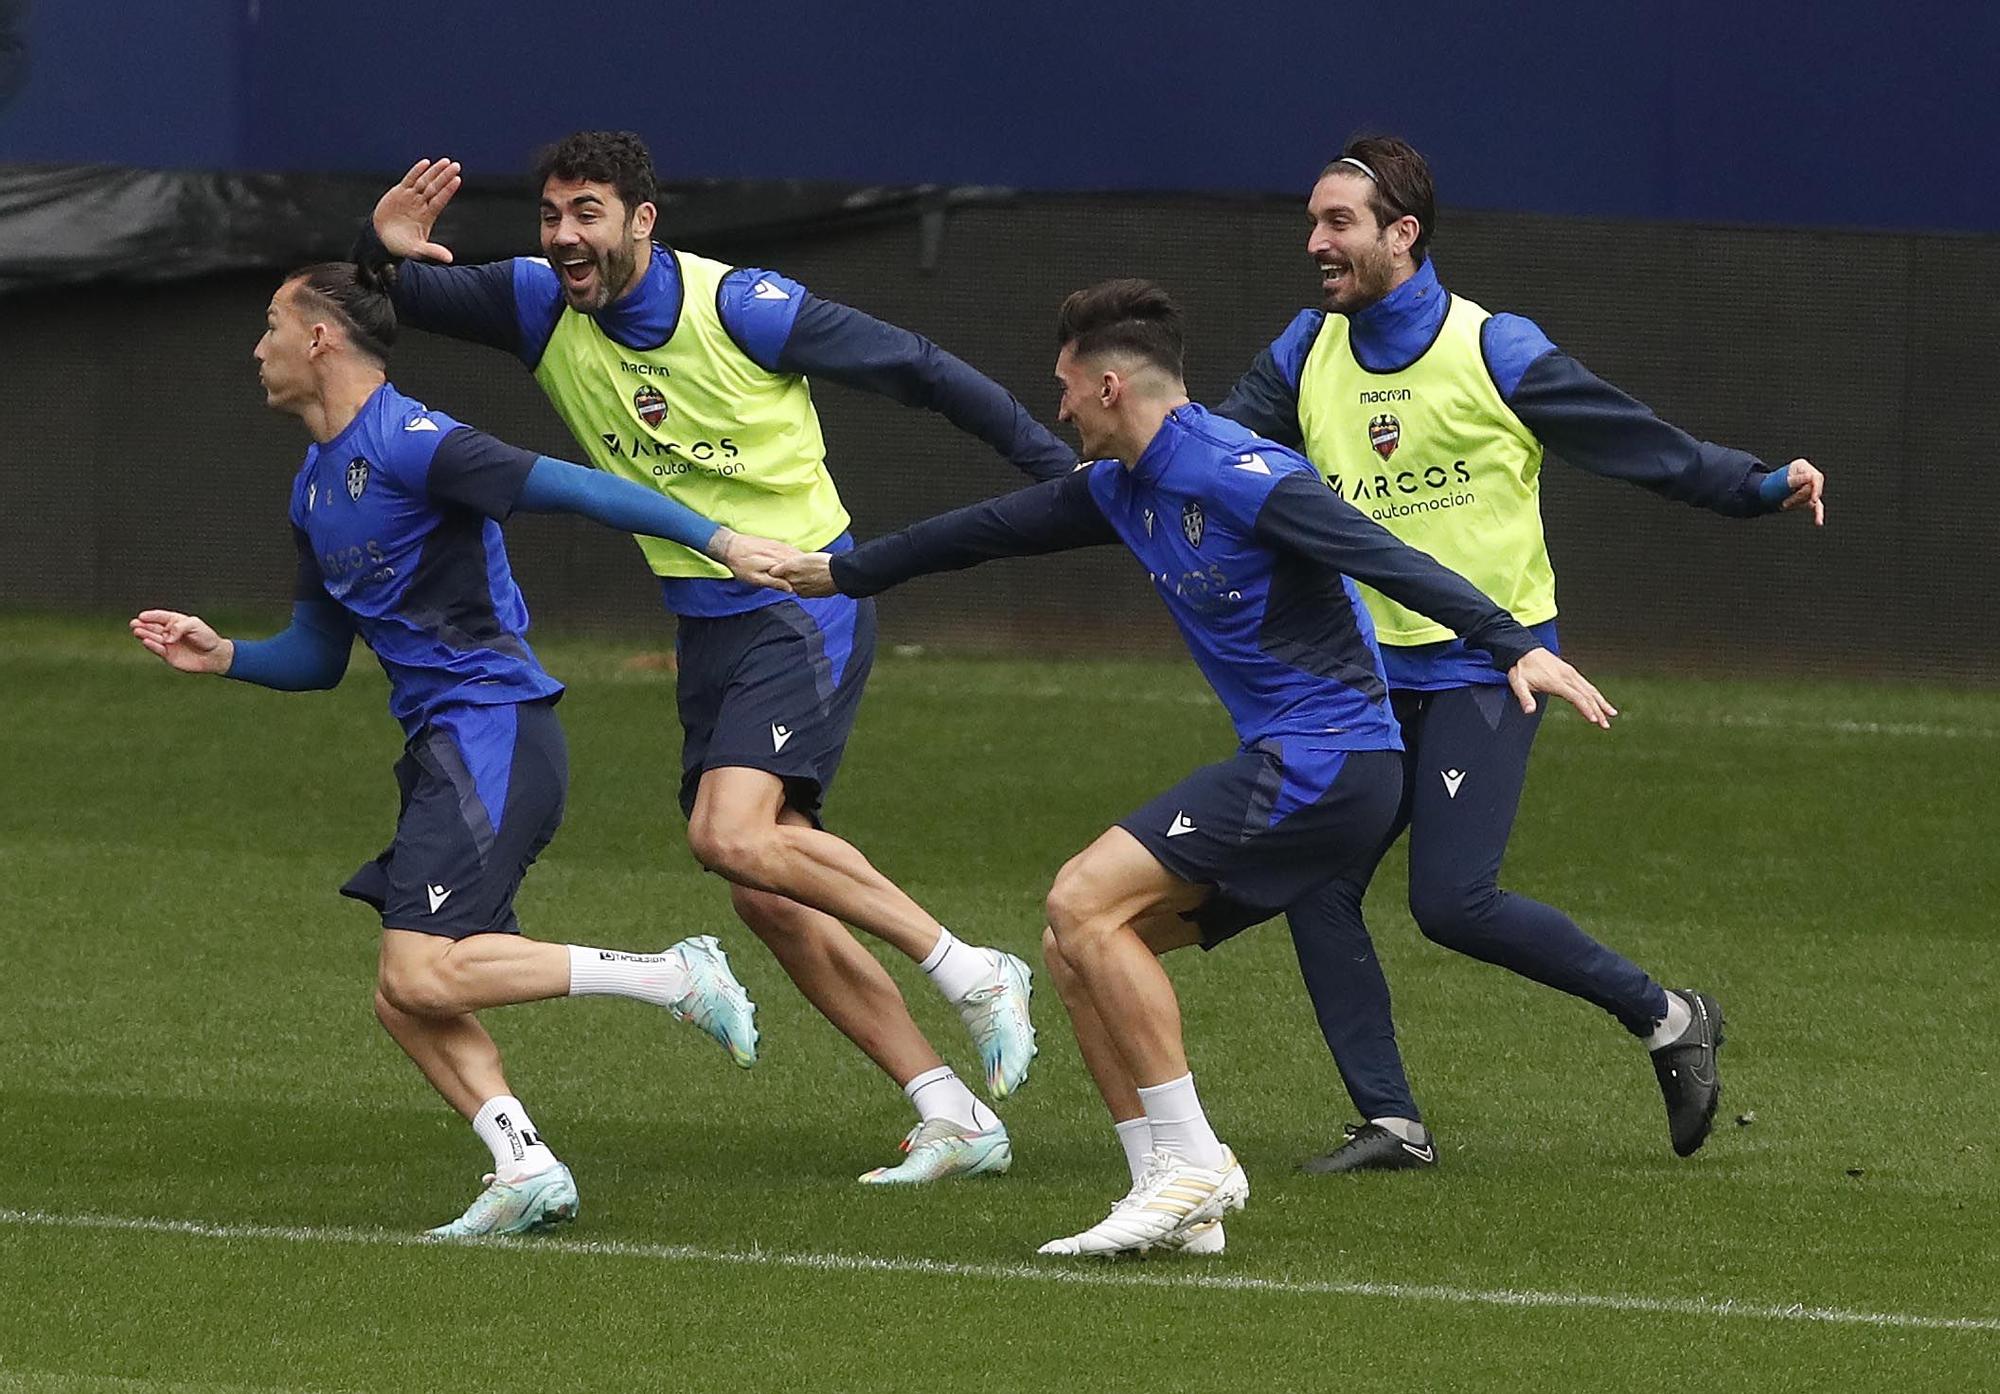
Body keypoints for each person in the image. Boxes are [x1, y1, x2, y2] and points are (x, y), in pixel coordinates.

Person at [772, 279, 1617, 1256]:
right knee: (1075, 944)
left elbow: (1383, 555)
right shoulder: (1120, 484)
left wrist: (1512, 642)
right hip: (1299, 766)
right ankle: (1170, 1197)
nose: (1053, 407)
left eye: (1060, 387)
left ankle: (1194, 1161)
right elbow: (981, 532)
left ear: (1105, 386)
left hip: (1330, 765)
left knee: (1081, 898)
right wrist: (843, 571)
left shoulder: (1237, 470)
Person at [353, 132, 1072, 1182]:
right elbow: (357, 306)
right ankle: (949, 1108)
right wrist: (378, 248)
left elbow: (917, 369)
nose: (563, 237)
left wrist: (1059, 476)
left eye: (587, 213)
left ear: (644, 221)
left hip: (799, 599)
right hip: (706, 624)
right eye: (550, 215)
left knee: (728, 834)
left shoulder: (741, 306)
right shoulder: (533, 301)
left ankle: (969, 967)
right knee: (764, 887)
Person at [131, 262, 780, 1237]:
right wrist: (225, 654)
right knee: (406, 995)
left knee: (425, 974)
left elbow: (583, 491)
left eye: (272, 324)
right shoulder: (314, 487)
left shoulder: (413, 441)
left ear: (321, 339)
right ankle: (524, 1164)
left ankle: (673, 975)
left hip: (496, 730)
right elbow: (316, 655)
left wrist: (718, 539)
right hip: (446, 745)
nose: (256, 347)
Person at [1216, 136, 1826, 1172]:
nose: (1314, 241)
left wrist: (1758, 483)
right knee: (1314, 885)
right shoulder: (1303, 348)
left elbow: (1636, 440)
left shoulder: (1492, 347)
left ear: (1400, 235)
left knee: (1451, 900)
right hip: (1366, 679)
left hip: (1486, 668)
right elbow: (1212, 455)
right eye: (1312, 220)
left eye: (1337, 223)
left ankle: (1670, 1015)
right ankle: (1392, 1123)